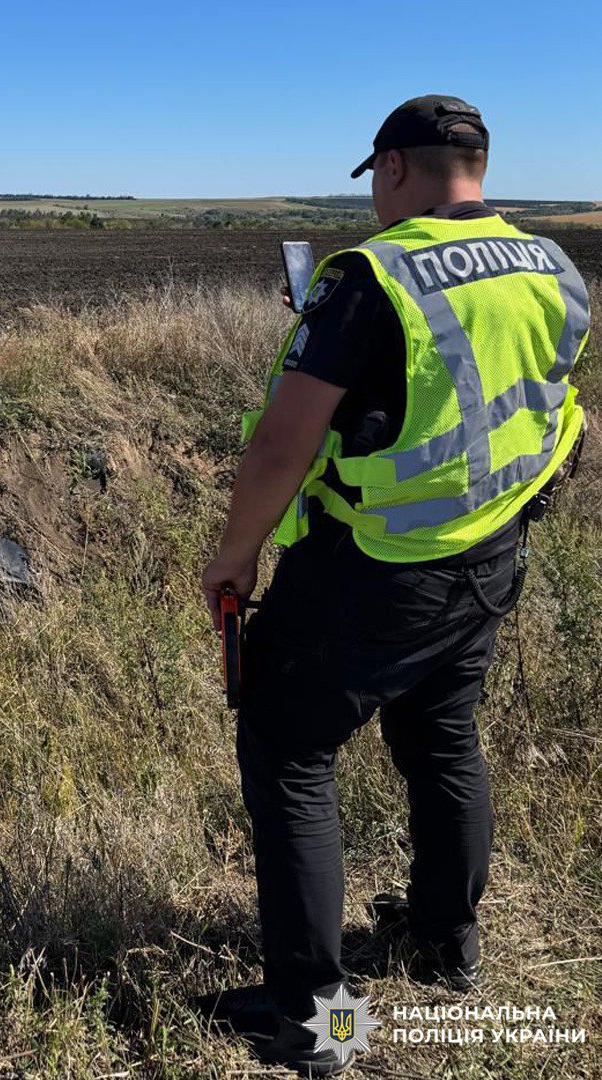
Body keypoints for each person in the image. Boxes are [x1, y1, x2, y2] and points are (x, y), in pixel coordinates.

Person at [199, 95, 590, 1076]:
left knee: (291, 753)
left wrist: (235, 554)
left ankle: (314, 1022)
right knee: (443, 739)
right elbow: (539, 403)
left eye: (375, 178)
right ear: (481, 168)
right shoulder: (553, 265)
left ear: (395, 170)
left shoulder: (371, 279)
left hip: (376, 571)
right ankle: (445, 949)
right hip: (491, 557)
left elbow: (283, 443)